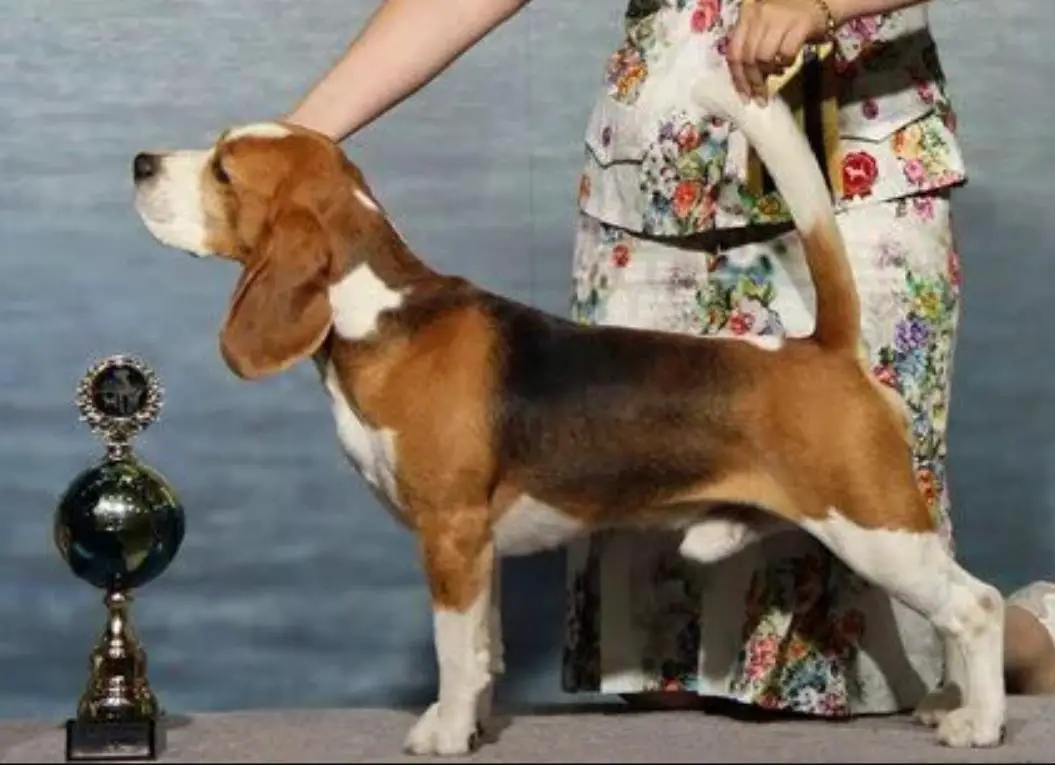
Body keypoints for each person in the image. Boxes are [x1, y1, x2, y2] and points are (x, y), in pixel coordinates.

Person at [282, 0, 1055, 715]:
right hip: (653, 197)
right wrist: (296, 142)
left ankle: (1030, 644)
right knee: (662, 676)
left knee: (865, 655)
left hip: (857, 172)